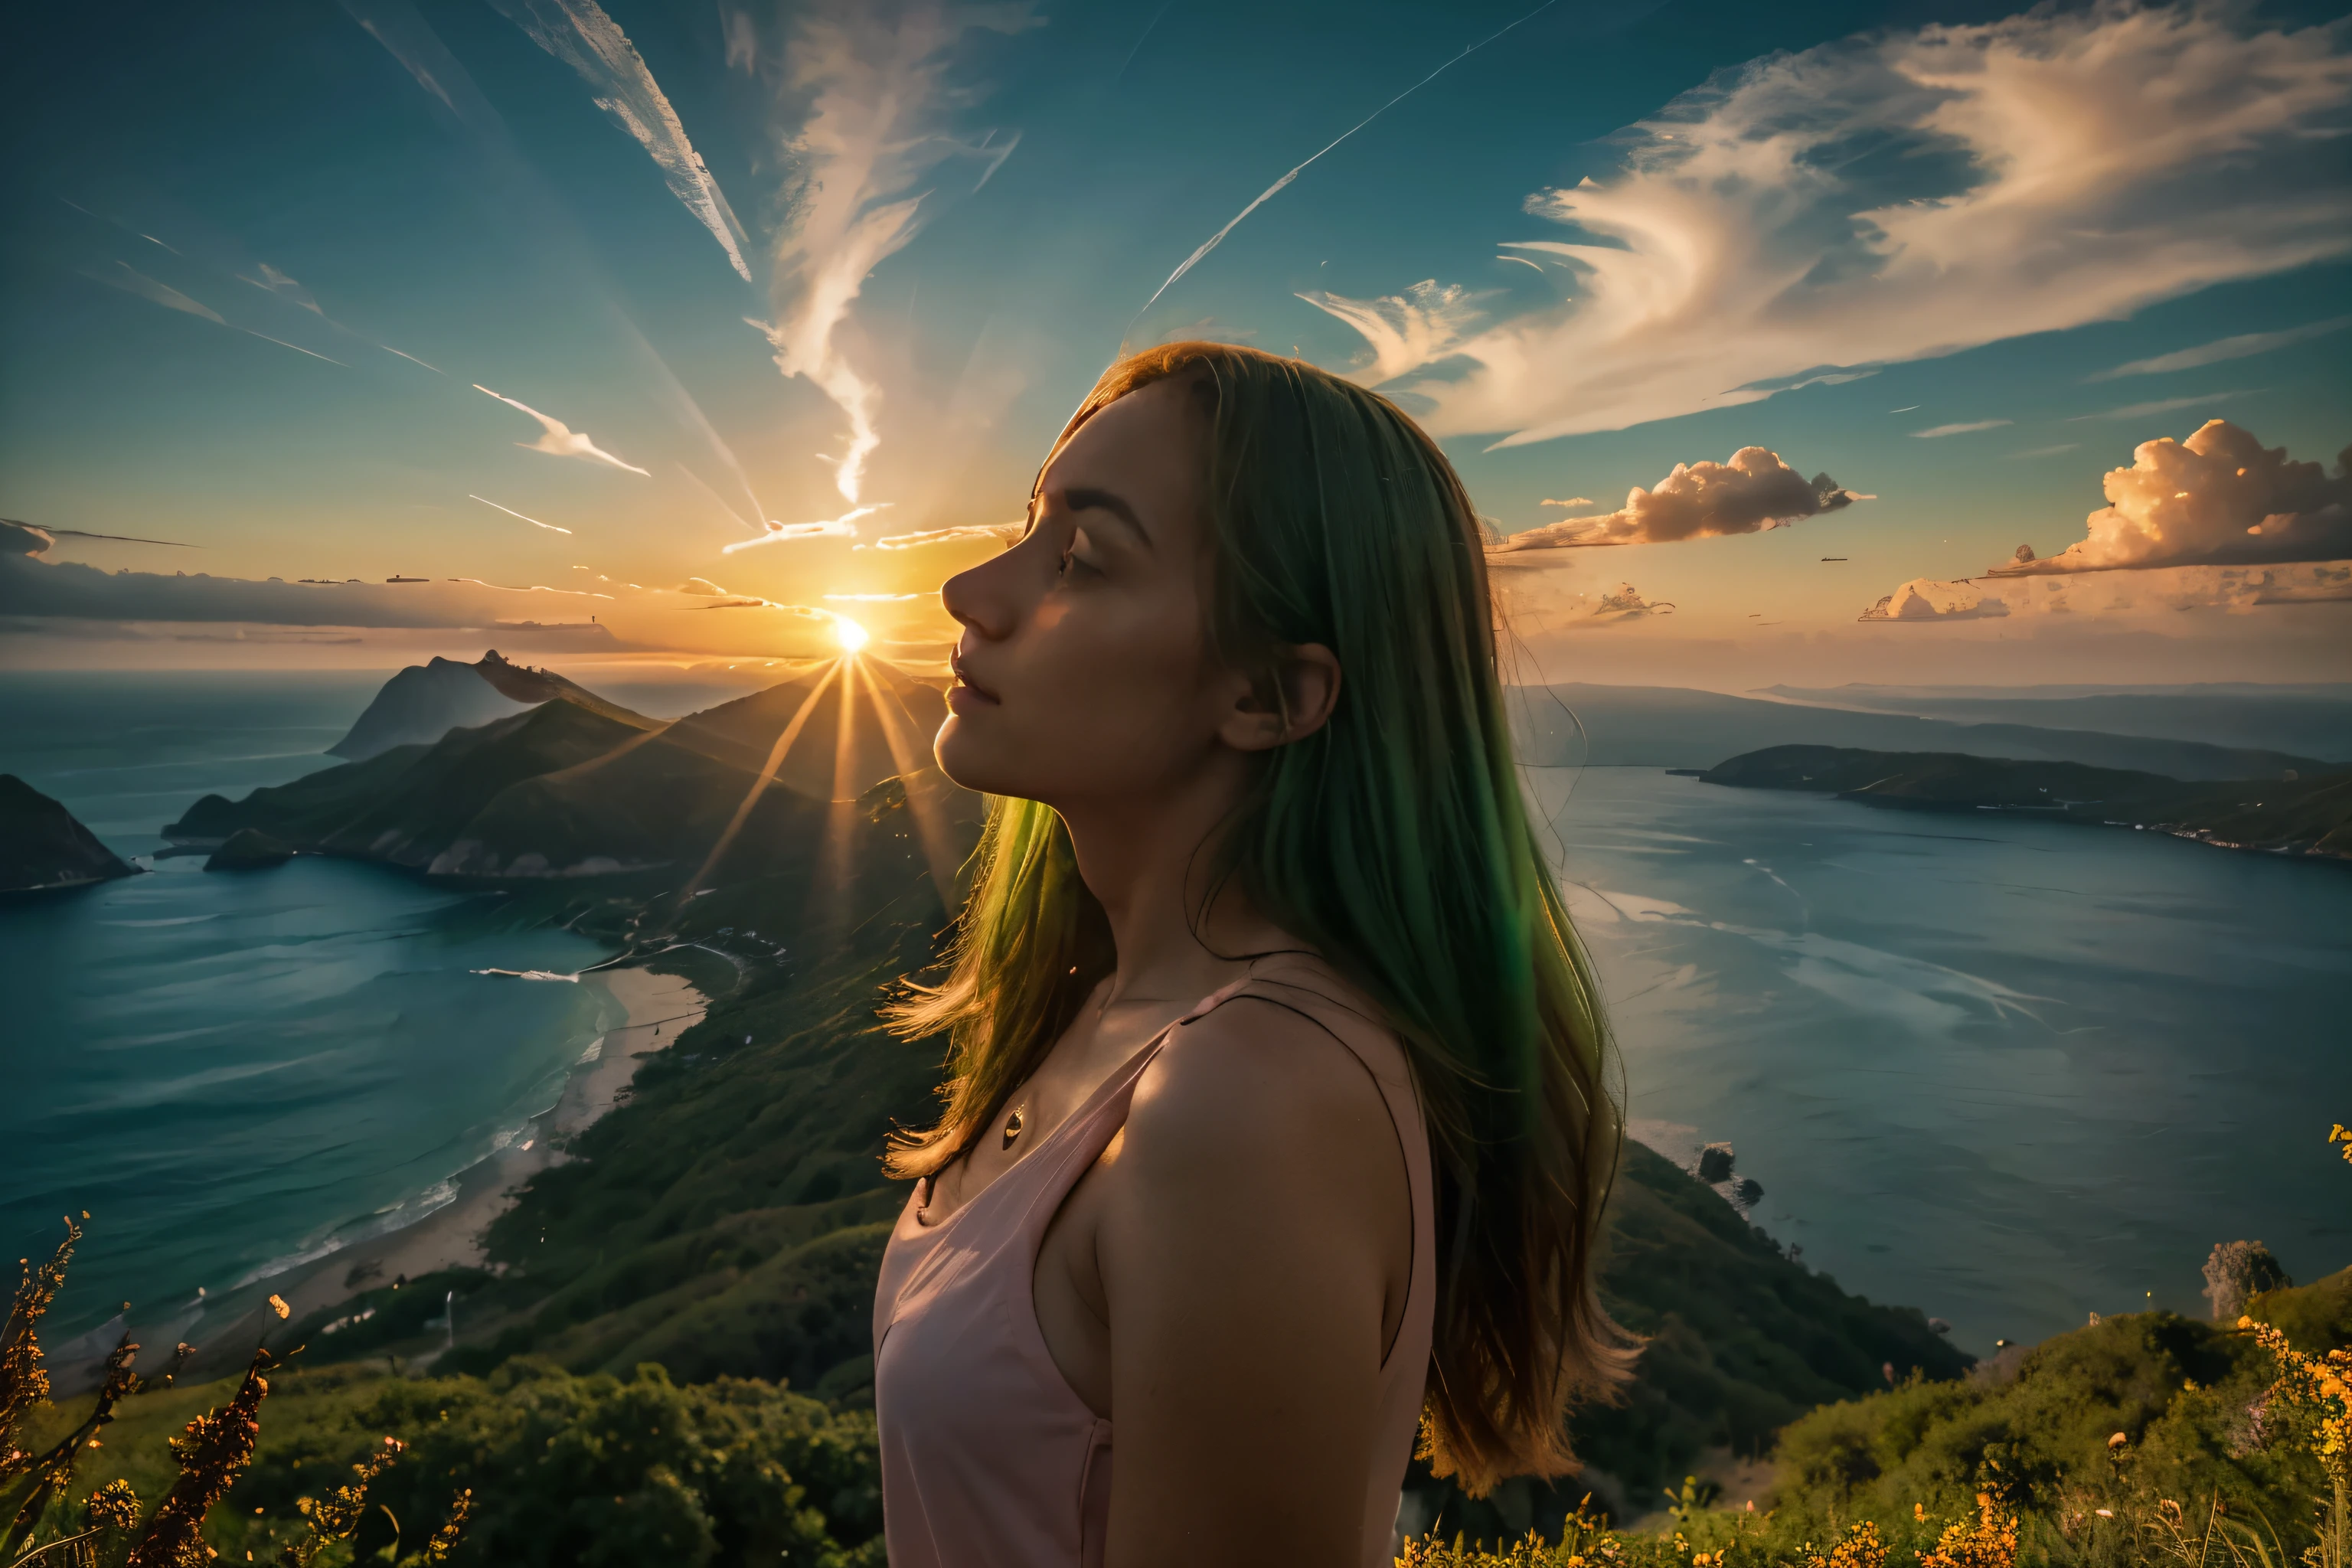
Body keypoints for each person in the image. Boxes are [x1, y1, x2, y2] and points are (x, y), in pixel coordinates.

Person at [871, 342, 1628, 1566]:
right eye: (1026, 528)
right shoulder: (1117, 1007)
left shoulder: (1247, 1107)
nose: (973, 590)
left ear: (1274, 696)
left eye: (1083, 557)